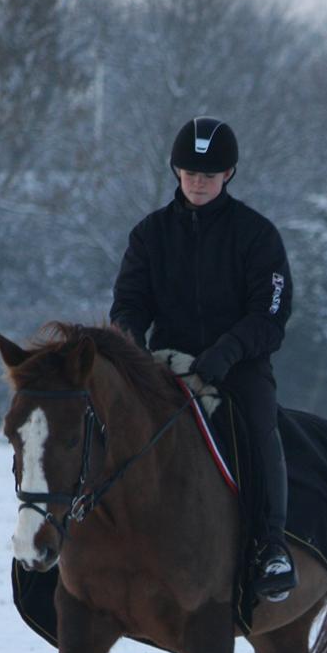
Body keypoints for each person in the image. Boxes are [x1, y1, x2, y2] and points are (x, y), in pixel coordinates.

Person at [110, 116, 297, 601]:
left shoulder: (257, 235)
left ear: (228, 174)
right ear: (176, 171)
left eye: (209, 175)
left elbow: (270, 314)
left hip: (239, 367)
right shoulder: (149, 235)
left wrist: (226, 353)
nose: (198, 182)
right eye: (191, 173)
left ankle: (271, 546)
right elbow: (128, 305)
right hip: (165, 365)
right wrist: (134, 350)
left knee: (260, 428)